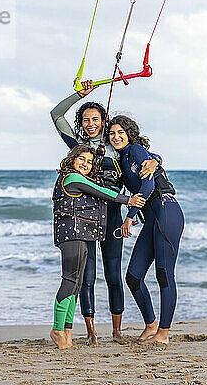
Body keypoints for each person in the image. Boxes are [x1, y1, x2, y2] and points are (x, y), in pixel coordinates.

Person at [50, 81, 160, 345]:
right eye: (85, 119)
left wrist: (156, 160)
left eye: (96, 119)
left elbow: (143, 151)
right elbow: (56, 115)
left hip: (111, 214)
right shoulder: (78, 146)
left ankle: (116, 331)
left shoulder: (117, 147)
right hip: (85, 216)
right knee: (86, 277)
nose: (90, 123)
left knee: (113, 274)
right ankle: (90, 332)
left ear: (104, 121)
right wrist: (79, 94)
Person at [49, 145, 145, 349]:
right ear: (72, 159)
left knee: (76, 284)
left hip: (81, 235)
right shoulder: (71, 177)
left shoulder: (78, 178)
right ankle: (57, 329)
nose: (85, 164)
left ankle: (67, 330)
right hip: (71, 234)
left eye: (90, 162)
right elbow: (102, 192)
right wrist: (128, 199)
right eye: (81, 159)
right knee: (69, 280)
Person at [107, 115, 184, 344]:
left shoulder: (136, 150)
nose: (116, 137)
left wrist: (129, 218)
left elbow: (149, 184)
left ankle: (164, 333)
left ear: (129, 134)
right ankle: (151, 325)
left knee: (164, 274)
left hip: (166, 211)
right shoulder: (121, 160)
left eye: (120, 132)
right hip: (151, 220)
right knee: (133, 277)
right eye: (112, 133)